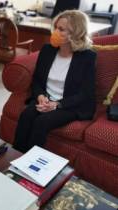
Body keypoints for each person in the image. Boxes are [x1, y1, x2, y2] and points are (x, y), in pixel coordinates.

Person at [13, 10, 96, 153]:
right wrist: (40, 96)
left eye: (61, 29)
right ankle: (15, 156)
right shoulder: (47, 50)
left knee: (42, 121)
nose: (55, 32)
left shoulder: (87, 57)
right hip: (45, 98)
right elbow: (37, 80)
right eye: (56, 27)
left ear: (75, 34)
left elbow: (85, 93)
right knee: (26, 115)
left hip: (69, 105)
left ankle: (30, 165)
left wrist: (57, 104)